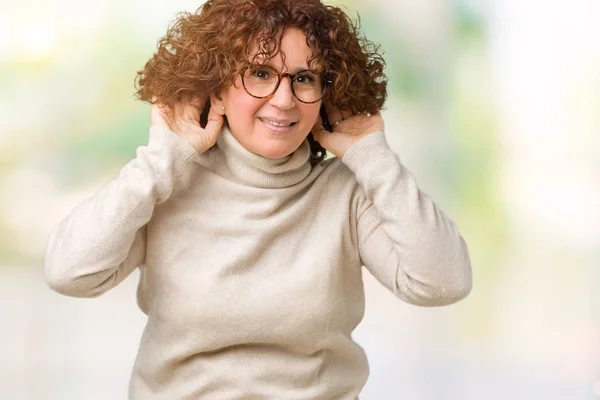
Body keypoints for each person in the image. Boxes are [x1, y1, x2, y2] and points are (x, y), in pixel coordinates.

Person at [44, 0, 472, 398]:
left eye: (304, 78)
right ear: (217, 86)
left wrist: (373, 156)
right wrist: (162, 157)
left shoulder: (347, 194)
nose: (284, 100)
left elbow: (443, 283)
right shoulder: (166, 184)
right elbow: (70, 273)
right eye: (261, 74)